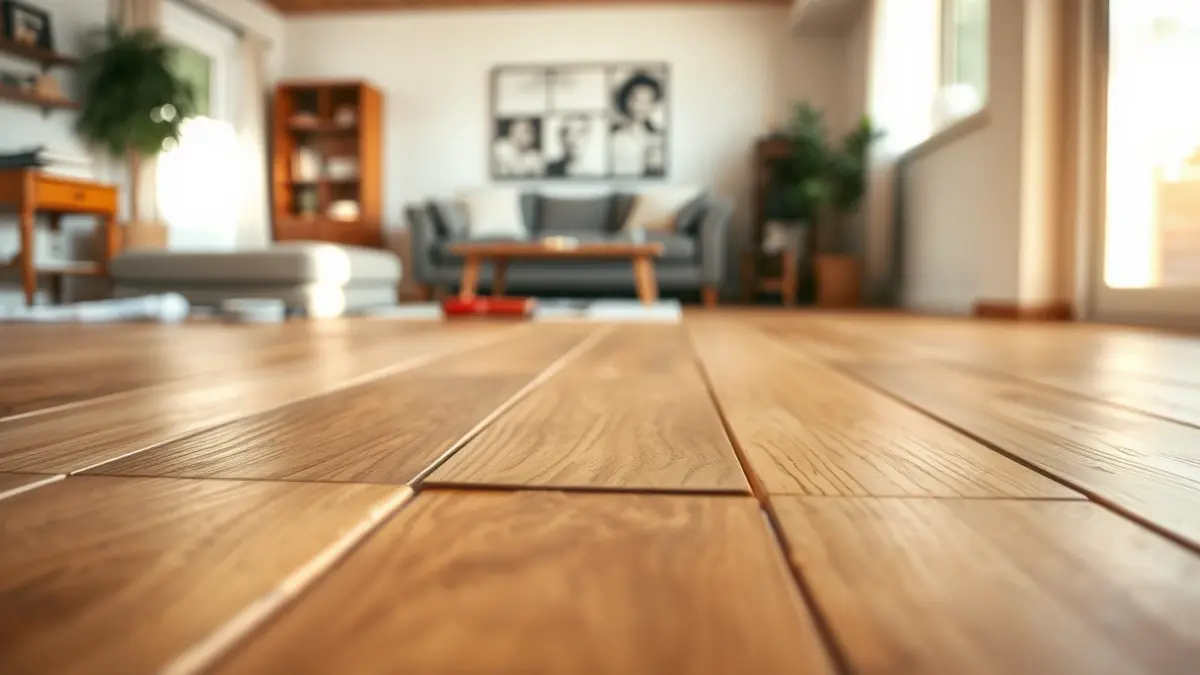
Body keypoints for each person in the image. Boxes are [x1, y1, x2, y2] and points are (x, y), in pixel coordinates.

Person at [610, 71, 666, 178]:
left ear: (654, 104)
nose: (640, 106)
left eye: (647, 101)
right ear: (626, 100)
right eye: (636, 99)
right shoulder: (613, 136)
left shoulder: (660, 137)